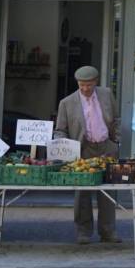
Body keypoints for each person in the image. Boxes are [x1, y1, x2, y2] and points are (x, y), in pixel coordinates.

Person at [54, 65, 121, 244]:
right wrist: (64, 148)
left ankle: (108, 231)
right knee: (82, 193)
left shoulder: (106, 95)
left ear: (95, 82)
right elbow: (60, 130)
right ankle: (83, 232)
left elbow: (115, 120)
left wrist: (116, 141)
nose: (85, 89)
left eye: (89, 85)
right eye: (82, 85)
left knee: (108, 192)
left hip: (106, 147)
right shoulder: (66, 103)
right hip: (83, 149)